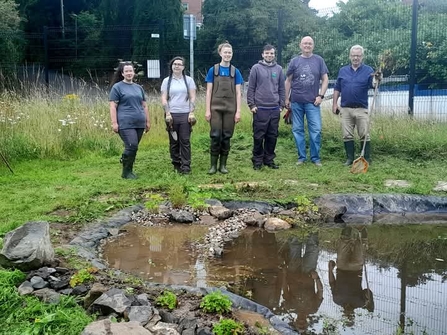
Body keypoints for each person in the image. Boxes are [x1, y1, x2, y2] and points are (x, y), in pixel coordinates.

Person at [332, 45, 382, 166]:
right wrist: (334, 104)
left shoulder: (368, 70)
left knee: (364, 133)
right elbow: (337, 88)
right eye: (353, 55)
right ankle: (349, 159)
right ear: (350, 56)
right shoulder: (343, 71)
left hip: (361, 108)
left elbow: (374, 85)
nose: (355, 58)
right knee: (346, 134)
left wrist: (378, 79)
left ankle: (366, 158)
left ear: (362, 57)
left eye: (358, 56)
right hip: (345, 108)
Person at [285, 36, 329, 167]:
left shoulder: (319, 60)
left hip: (313, 102)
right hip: (296, 101)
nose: (307, 46)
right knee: (297, 130)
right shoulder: (294, 61)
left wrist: (320, 95)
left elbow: (325, 79)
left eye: (310, 44)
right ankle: (301, 157)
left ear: (313, 46)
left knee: (316, 129)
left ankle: (315, 158)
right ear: (300, 45)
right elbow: (288, 81)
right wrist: (286, 98)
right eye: (305, 43)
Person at [205, 42, 243, 174]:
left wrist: (238, 111)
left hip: (230, 109)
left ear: (232, 54)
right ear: (220, 53)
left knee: (226, 136)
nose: (227, 55)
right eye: (225, 52)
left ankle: (223, 166)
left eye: (230, 52)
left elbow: (238, 93)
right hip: (215, 108)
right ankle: (213, 166)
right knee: (215, 135)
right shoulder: (213, 70)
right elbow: (209, 91)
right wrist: (207, 110)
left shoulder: (235, 71)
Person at [247, 44, 285, 170]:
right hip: (260, 108)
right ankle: (257, 160)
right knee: (258, 136)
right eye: (267, 53)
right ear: (262, 54)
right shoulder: (256, 68)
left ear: (274, 55)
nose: (269, 55)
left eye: (272, 53)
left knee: (272, 136)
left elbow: (281, 88)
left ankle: (269, 160)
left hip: (274, 108)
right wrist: (251, 105)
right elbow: (251, 88)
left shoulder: (279, 69)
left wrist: (281, 105)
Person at [109, 61, 150, 179]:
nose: (129, 73)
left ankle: (128, 169)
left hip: (139, 122)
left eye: (130, 71)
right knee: (132, 145)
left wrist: (148, 121)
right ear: (122, 73)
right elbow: (113, 106)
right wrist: (114, 123)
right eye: (126, 71)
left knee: (133, 147)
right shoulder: (117, 87)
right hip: (125, 122)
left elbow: (144, 106)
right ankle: (126, 171)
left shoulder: (138, 88)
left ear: (134, 72)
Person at [328, 226, 374, 326]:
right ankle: (362, 229)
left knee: (343, 245)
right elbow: (367, 291)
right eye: (351, 316)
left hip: (341, 268)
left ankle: (347, 226)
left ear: (343, 314)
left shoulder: (337, 300)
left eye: (346, 315)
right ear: (354, 315)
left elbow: (332, 283)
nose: (348, 313)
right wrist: (369, 300)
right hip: (356, 269)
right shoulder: (360, 303)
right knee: (360, 248)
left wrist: (330, 270)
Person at [161, 56, 197, 174]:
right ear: (171, 66)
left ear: (183, 67)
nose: (177, 66)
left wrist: (191, 112)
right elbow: (164, 98)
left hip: (185, 115)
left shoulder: (189, 80)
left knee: (185, 141)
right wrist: (167, 113)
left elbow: (192, 97)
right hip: (171, 116)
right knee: (174, 141)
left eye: (179, 64)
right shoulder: (166, 81)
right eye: (175, 64)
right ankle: (176, 164)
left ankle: (186, 166)